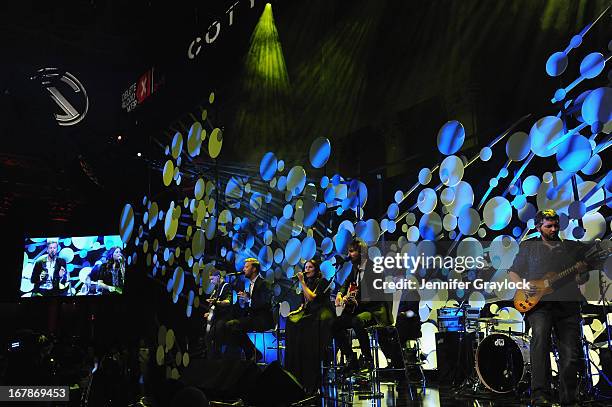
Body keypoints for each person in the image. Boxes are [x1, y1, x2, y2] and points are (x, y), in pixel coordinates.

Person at [509, 209, 589, 406]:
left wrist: (582, 273)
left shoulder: (570, 248)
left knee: (570, 352)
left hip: (568, 304)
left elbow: (582, 278)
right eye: (549, 226)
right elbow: (513, 272)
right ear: (538, 227)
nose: (554, 229)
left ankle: (570, 398)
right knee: (540, 344)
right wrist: (523, 286)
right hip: (539, 306)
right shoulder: (528, 247)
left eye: (556, 226)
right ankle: (540, 395)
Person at [332, 239, 391, 371]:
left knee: (357, 321)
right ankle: (351, 357)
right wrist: (340, 295)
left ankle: (367, 359)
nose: (349, 254)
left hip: (374, 311)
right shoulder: (355, 268)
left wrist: (356, 301)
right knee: (334, 324)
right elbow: (345, 285)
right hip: (359, 309)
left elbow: (377, 295)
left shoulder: (374, 269)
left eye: (352, 251)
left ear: (362, 253)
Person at [285, 259, 334, 393]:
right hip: (310, 312)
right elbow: (304, 303)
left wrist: (302, 282)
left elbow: (312, 297)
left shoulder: (322, 281)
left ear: (316, 269)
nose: (307, 269)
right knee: (291, 321)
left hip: (322, 313)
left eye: (310, 267)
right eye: (305, 267)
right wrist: (297, 311)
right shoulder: (307, 283)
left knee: (306, 325)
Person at [221, 258, 273, 361]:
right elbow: (253, 303)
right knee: (230, 325)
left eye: (246, 267)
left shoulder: (264, 283)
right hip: (253, 318)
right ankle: (251, 353)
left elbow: (265, 303)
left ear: (254, 269)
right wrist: (245, 302)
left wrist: (249, 299)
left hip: (262, 320)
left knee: (233, 325)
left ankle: (251, 353)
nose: (243, 269)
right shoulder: (250, 284)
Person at [203, 270, 232, 359]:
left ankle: (216, 359)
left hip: (224, 317)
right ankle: (213, 358)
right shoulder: (216, 289)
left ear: (218, 277)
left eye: (212, 279)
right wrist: (210, 312)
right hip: (216, 317)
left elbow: (228, 301)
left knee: (212, 336)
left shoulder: (226, 286)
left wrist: (216, 302)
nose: (211, 281)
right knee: (208, 338)